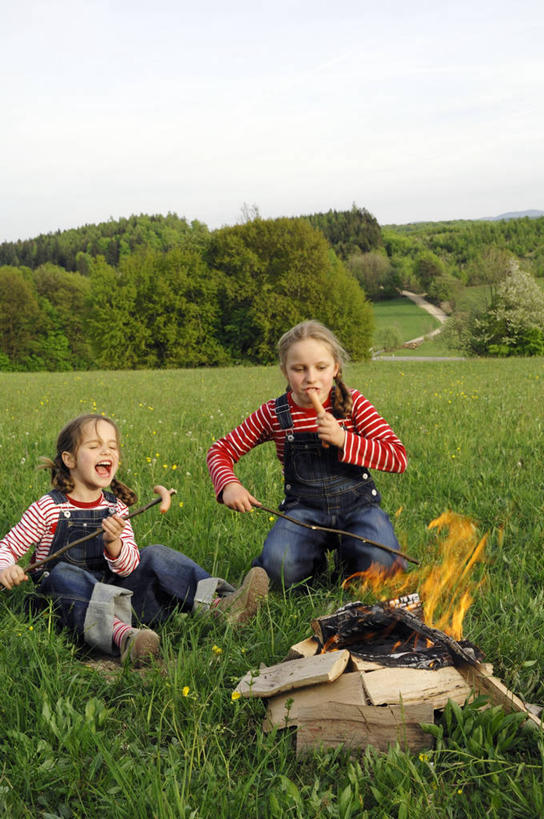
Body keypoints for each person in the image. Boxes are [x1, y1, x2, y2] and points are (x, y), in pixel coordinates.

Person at [0, 414, 268, 666]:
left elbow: (129, 568)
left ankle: (220, 606)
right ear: (69, 460)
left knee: (155, 553)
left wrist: (114, 544)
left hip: (123, 602)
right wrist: (6, 569)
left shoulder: (116, 507)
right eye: (95, 446)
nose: (106, 452)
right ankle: (126, 639)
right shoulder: (49, 508)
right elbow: (8, 547)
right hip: (68, 608)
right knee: (62, 574)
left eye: (112, 446)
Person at [207, 320, 407, 589]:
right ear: (285, 371)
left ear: (335, 368)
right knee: (278, 571)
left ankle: (351, 559)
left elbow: (397, 457)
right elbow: (220, 450)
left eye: (321, 367)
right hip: (303, 512)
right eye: (299, 369)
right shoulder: (275, 414)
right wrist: (229, 484)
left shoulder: (353, 404)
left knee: (386, 567)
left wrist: (344, 439)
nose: (311, 378)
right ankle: (310, 562)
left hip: (359, 509)